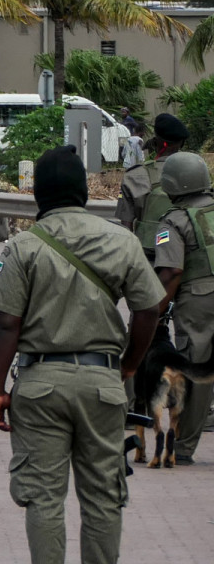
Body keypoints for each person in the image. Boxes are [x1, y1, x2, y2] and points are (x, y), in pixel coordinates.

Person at [0, 145, 164, 564]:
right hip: (103, 384)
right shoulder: (123, 240)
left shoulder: (22, 246)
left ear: (38, 195)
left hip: (40, 385)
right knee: (104, 496)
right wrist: (130, 365)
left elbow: (7, 324)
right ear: (84, 191)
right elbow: (149, 309)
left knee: (43, 498)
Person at [151, 151, 214, 464]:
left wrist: (157, 310)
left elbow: (172, 271)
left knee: (196, 371)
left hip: (199, 301)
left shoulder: (173, 222)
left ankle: (184, 447)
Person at [117, 111, 190, 257]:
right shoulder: (195, 173)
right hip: (186, 254)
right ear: (181, 143)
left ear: (155, 142)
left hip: (148, 254)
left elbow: (126, 227)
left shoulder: (134, 176)